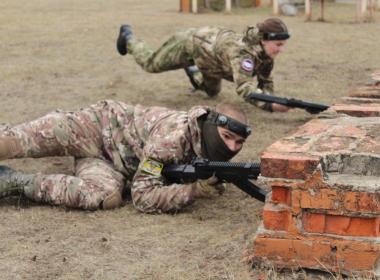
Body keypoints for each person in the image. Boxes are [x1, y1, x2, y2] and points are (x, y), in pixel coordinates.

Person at [0, 100, 251, 213]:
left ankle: (13, 182)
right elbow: (142, 198)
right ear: (210, 127)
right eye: (227, 136)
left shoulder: (209, 147)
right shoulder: (171, 138)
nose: (231, 147)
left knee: (105, 197)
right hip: (97, 127)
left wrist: (198, 186)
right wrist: (192, 191)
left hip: (113, 162)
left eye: (238, 142)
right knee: (11, 144)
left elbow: (143, 190)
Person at [116, 18, 291, 112]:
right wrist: (271, 106)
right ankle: (129, 39)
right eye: (278, 45)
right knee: (150, 65)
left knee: (212, 92)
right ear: (264, 40)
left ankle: (194, 71)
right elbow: (244, 88)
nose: (281, 50)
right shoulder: (243, 53)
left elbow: (265, 80)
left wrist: (274, 99)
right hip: (190, 44)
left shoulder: (265, 53)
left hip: (211, 62)